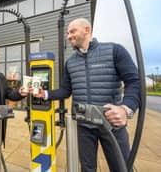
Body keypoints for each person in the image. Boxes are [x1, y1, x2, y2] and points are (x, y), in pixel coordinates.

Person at [33, 18, 140, 172]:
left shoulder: (114, 51)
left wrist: (125, 109)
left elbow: (134, 81)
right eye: (68, 32)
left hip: (112, 124)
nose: (69, 36)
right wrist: (45, 94)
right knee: (87, 168)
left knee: (121, 167)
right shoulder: (70, 62)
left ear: (87, 30)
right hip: (84, 125)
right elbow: (65, 90)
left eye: (72, 31)